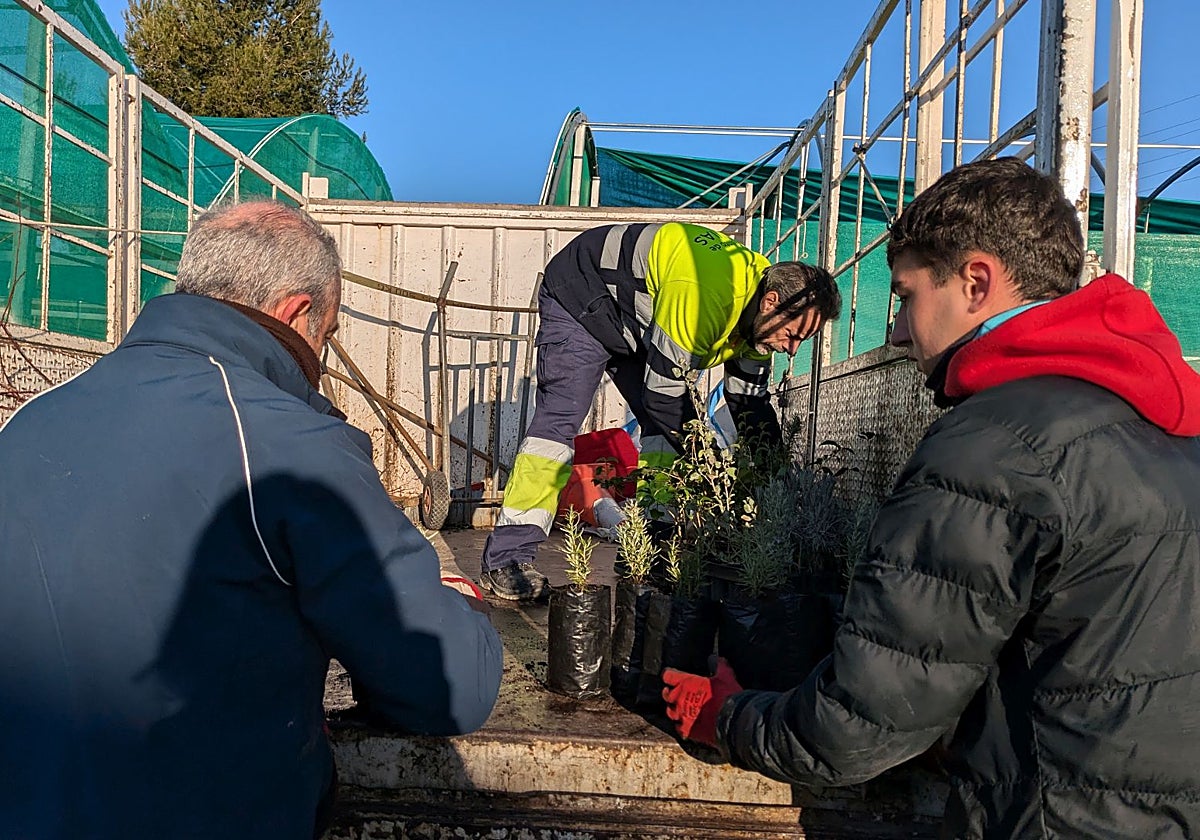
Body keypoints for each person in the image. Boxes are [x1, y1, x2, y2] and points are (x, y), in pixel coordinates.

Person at [662, 157, 1200, 837]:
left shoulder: (993, 449)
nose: (899, 329)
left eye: (907, 294)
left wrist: (728, 717)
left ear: (975, 281)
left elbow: (860, 726)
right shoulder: (1171, 423)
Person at [0, 201, 504, 839]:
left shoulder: (29, 422)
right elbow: (448, 686)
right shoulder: (290, 443)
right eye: (328, 331)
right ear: (297, 312)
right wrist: (469, 609)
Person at [479, 221, 842, 600]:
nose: (792, 349)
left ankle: (648, 549)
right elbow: (664, 395)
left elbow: (749, 408)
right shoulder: (705, 293)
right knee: (559, 422)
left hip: (636, 319)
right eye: (794, 335)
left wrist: (775, 480)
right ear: (771, 303)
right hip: (583, 295)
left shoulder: (762, 324)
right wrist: (708, 465)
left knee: (662, 436)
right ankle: (508, 557)